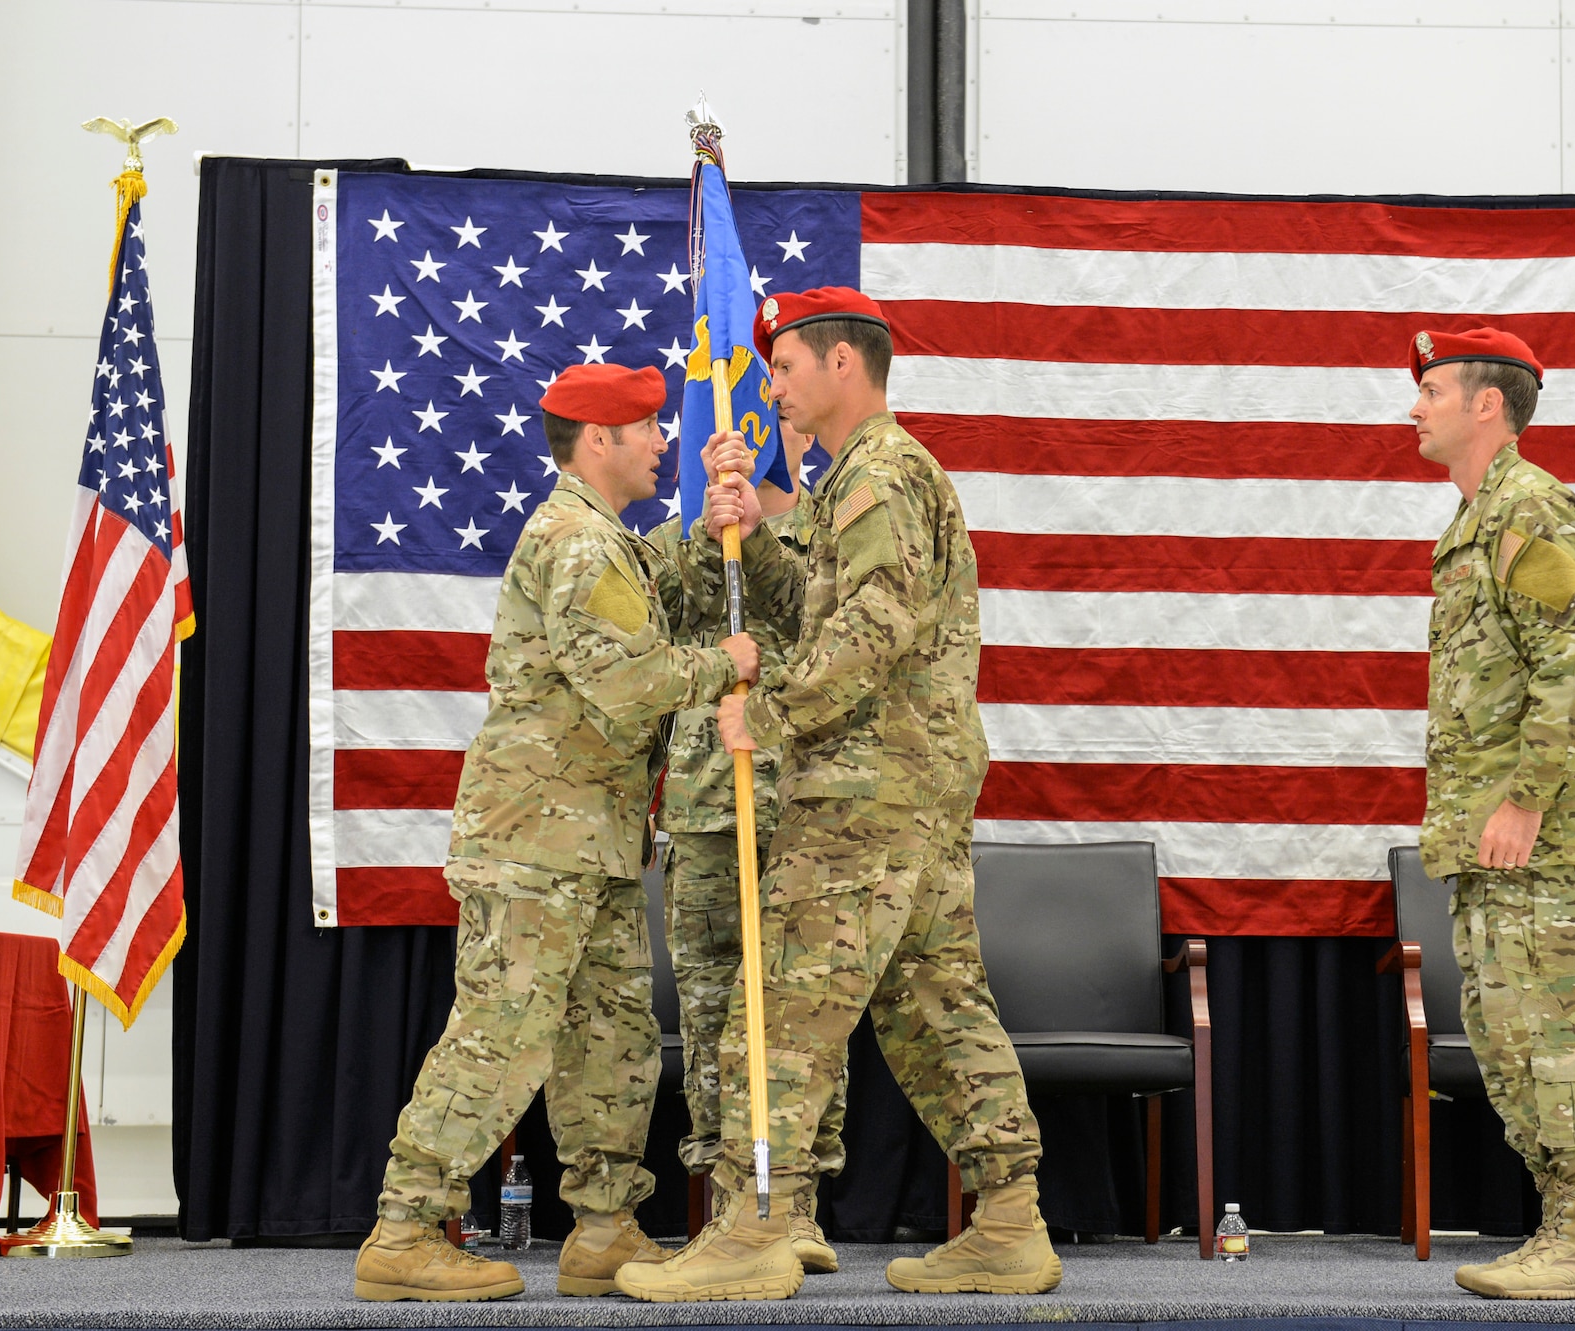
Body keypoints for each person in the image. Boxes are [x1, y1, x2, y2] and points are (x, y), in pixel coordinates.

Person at [613, 288, 1059, 1303]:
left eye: (783, 366)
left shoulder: (884, 475)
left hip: (865, 789)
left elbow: (865, 634)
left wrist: (759, 719)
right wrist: (750, 531)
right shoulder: (859, 479)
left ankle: (755, 1224)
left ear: (840, 365)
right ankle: (1006, 1218)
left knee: (782, 1004)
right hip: (906, 785)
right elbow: (814, 605)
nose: (770, 386)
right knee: (932, 1003)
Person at [354, 363, 759, 1303]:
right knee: (503, 1033)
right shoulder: (579, 541)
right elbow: (623, 679)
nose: (665, 443)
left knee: (608, 1039)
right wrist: (721, 663)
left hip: (595, 845)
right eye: (651, 428)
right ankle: (406, 1226)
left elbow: (642, 588)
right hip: (540, 843)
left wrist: (706, 530)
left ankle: (606, 1226)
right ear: (599, 439)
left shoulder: (602, 539)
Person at [1409, 328, 1575, 1300]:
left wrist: (1523, 803)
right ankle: (1556, 1227)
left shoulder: (1528, 512)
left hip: (1537, 836)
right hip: (1487, 837)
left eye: (1429, 388)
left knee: (1549, 1027)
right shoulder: (1471, 524)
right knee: (1502, 1029)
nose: (1413, 406)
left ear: (1483, 403)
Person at [645, 421, 847, 1275]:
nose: (758, 447)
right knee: (709, 1013)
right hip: (704, 812)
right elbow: (655, 634)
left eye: (771, 432)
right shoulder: (679, 539)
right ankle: (727, 1203)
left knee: (806, 1019)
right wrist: (708, 531)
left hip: (804, 810)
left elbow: (828, 641)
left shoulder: (831, 538)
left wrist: (758, 538)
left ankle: (795, 1202)